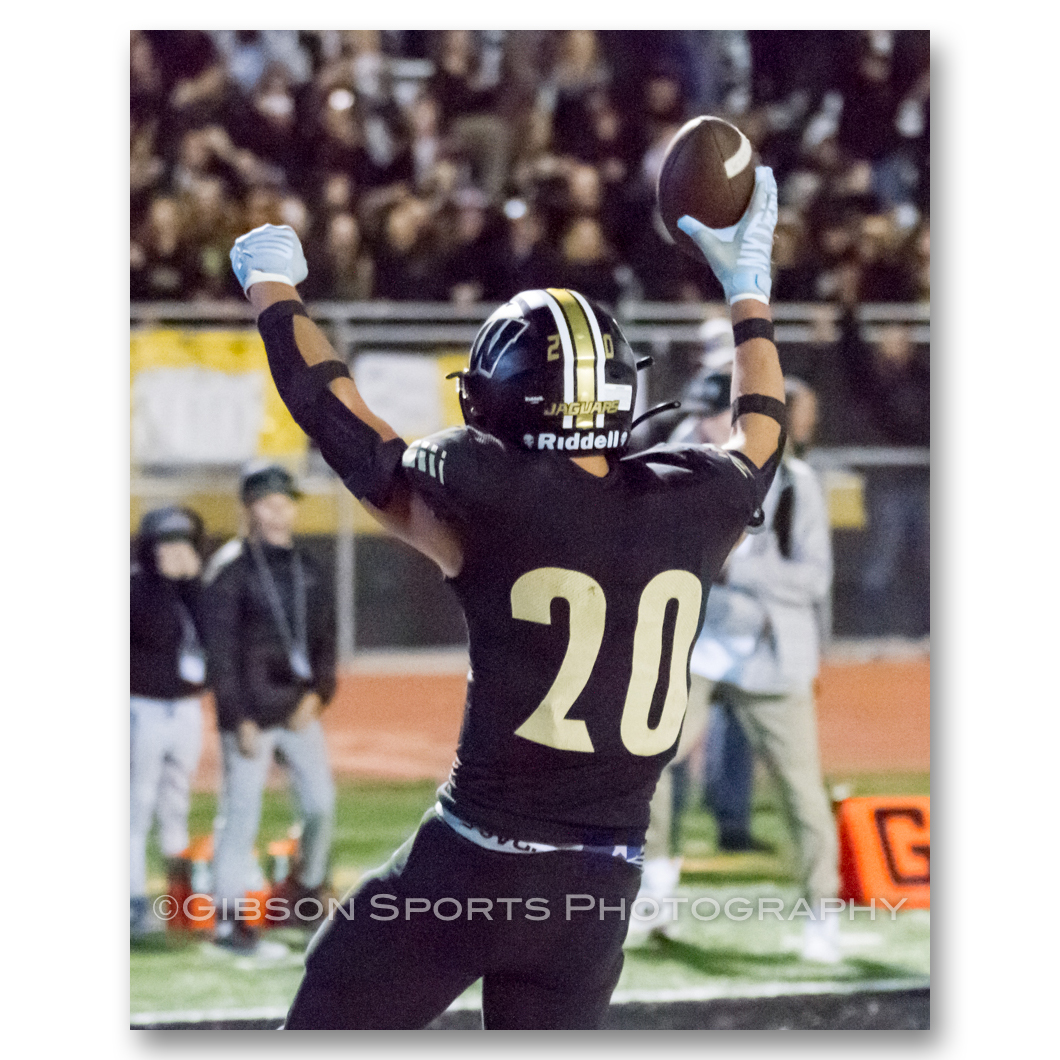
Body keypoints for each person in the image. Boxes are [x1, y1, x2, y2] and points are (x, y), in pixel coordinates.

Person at [227, 164, 786, 1029]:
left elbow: (344, 427)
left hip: (475, 864)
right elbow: (764, 432)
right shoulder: (701, 500)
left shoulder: (489, 497)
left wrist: (274, 293)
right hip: (599, 891)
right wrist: (749, 291)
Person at [636, 372, 839, 962]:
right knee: (647, 765)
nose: (701, 428)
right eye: (697, 418)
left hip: (771, 657)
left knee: (801, 791)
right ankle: (656, 890)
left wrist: (733, 570)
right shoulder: (683, 469)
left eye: (713, 417)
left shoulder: (796, 484)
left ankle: (821, 912)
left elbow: (813, 579)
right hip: (698, 648)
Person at [201, 461, 337, 953]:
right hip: (252, 719)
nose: (278, 513)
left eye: (285, 503)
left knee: (321, 806)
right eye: (267, 503)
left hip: (299, 708)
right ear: (250, 508)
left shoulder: (307, 566)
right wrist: (238, 718)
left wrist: (320, 693)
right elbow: (220, 655)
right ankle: (229, 918)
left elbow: (326, 639)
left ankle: (304, 889)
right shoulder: (229, 570)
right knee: (241, 815)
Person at [130, 506, 208, 939]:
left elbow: (211, 636)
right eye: (167, 542)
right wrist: (166, 582)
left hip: (185, 708)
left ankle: (178, 903)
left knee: (176, 804)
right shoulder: (136, 588)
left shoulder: (193, 588)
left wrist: (191, 584)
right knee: (136, 807)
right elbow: (156, 632)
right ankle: (134, 902)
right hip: (142, 708)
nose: (176, 551)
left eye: (183, 542)